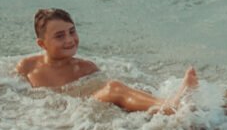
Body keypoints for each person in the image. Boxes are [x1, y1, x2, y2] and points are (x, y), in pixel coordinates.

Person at [16, 8, 198, 115]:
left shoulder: (85, 68)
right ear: (42, 44)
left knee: (114, 87)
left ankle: (170, 105)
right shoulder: (27, 67)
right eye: (60, 36)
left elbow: (99, 102)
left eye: (72, 31)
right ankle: (170, 104)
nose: (69, 40)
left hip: (81, 112)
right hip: (55, 119)